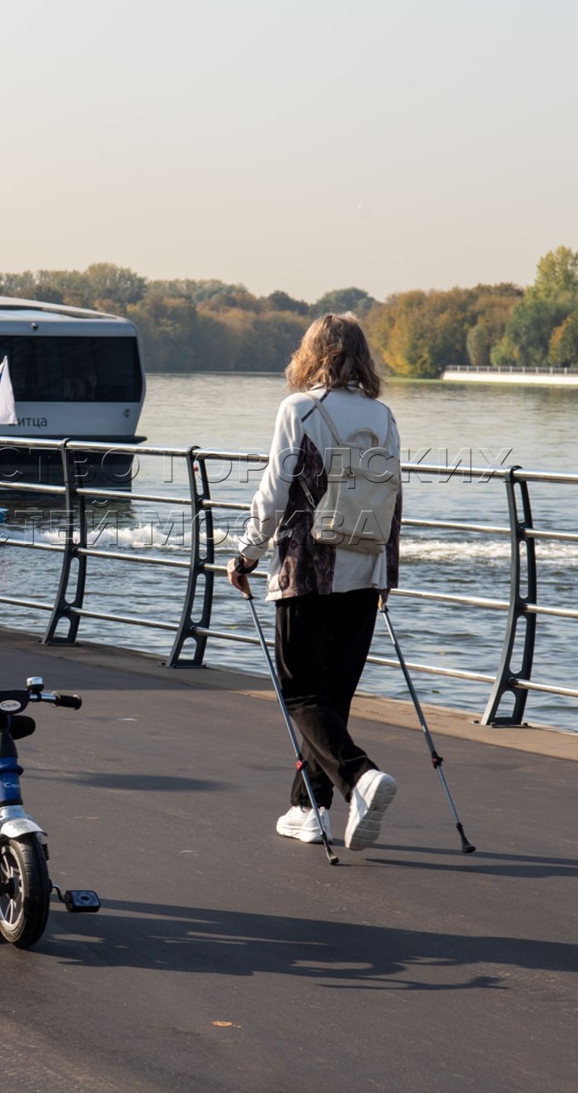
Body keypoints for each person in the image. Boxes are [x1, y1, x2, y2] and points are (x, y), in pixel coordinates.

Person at [227, 313, 403, 851]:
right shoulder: (383, 415)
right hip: (364, 570)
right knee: (332, 696)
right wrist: (386, 574)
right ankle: (311, 809)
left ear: (312, 353)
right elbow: (394, 498)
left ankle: (360, 777)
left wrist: (247, 553)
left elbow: (274, 490)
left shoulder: (299, 409)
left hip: (307, 570)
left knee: (300, 689)